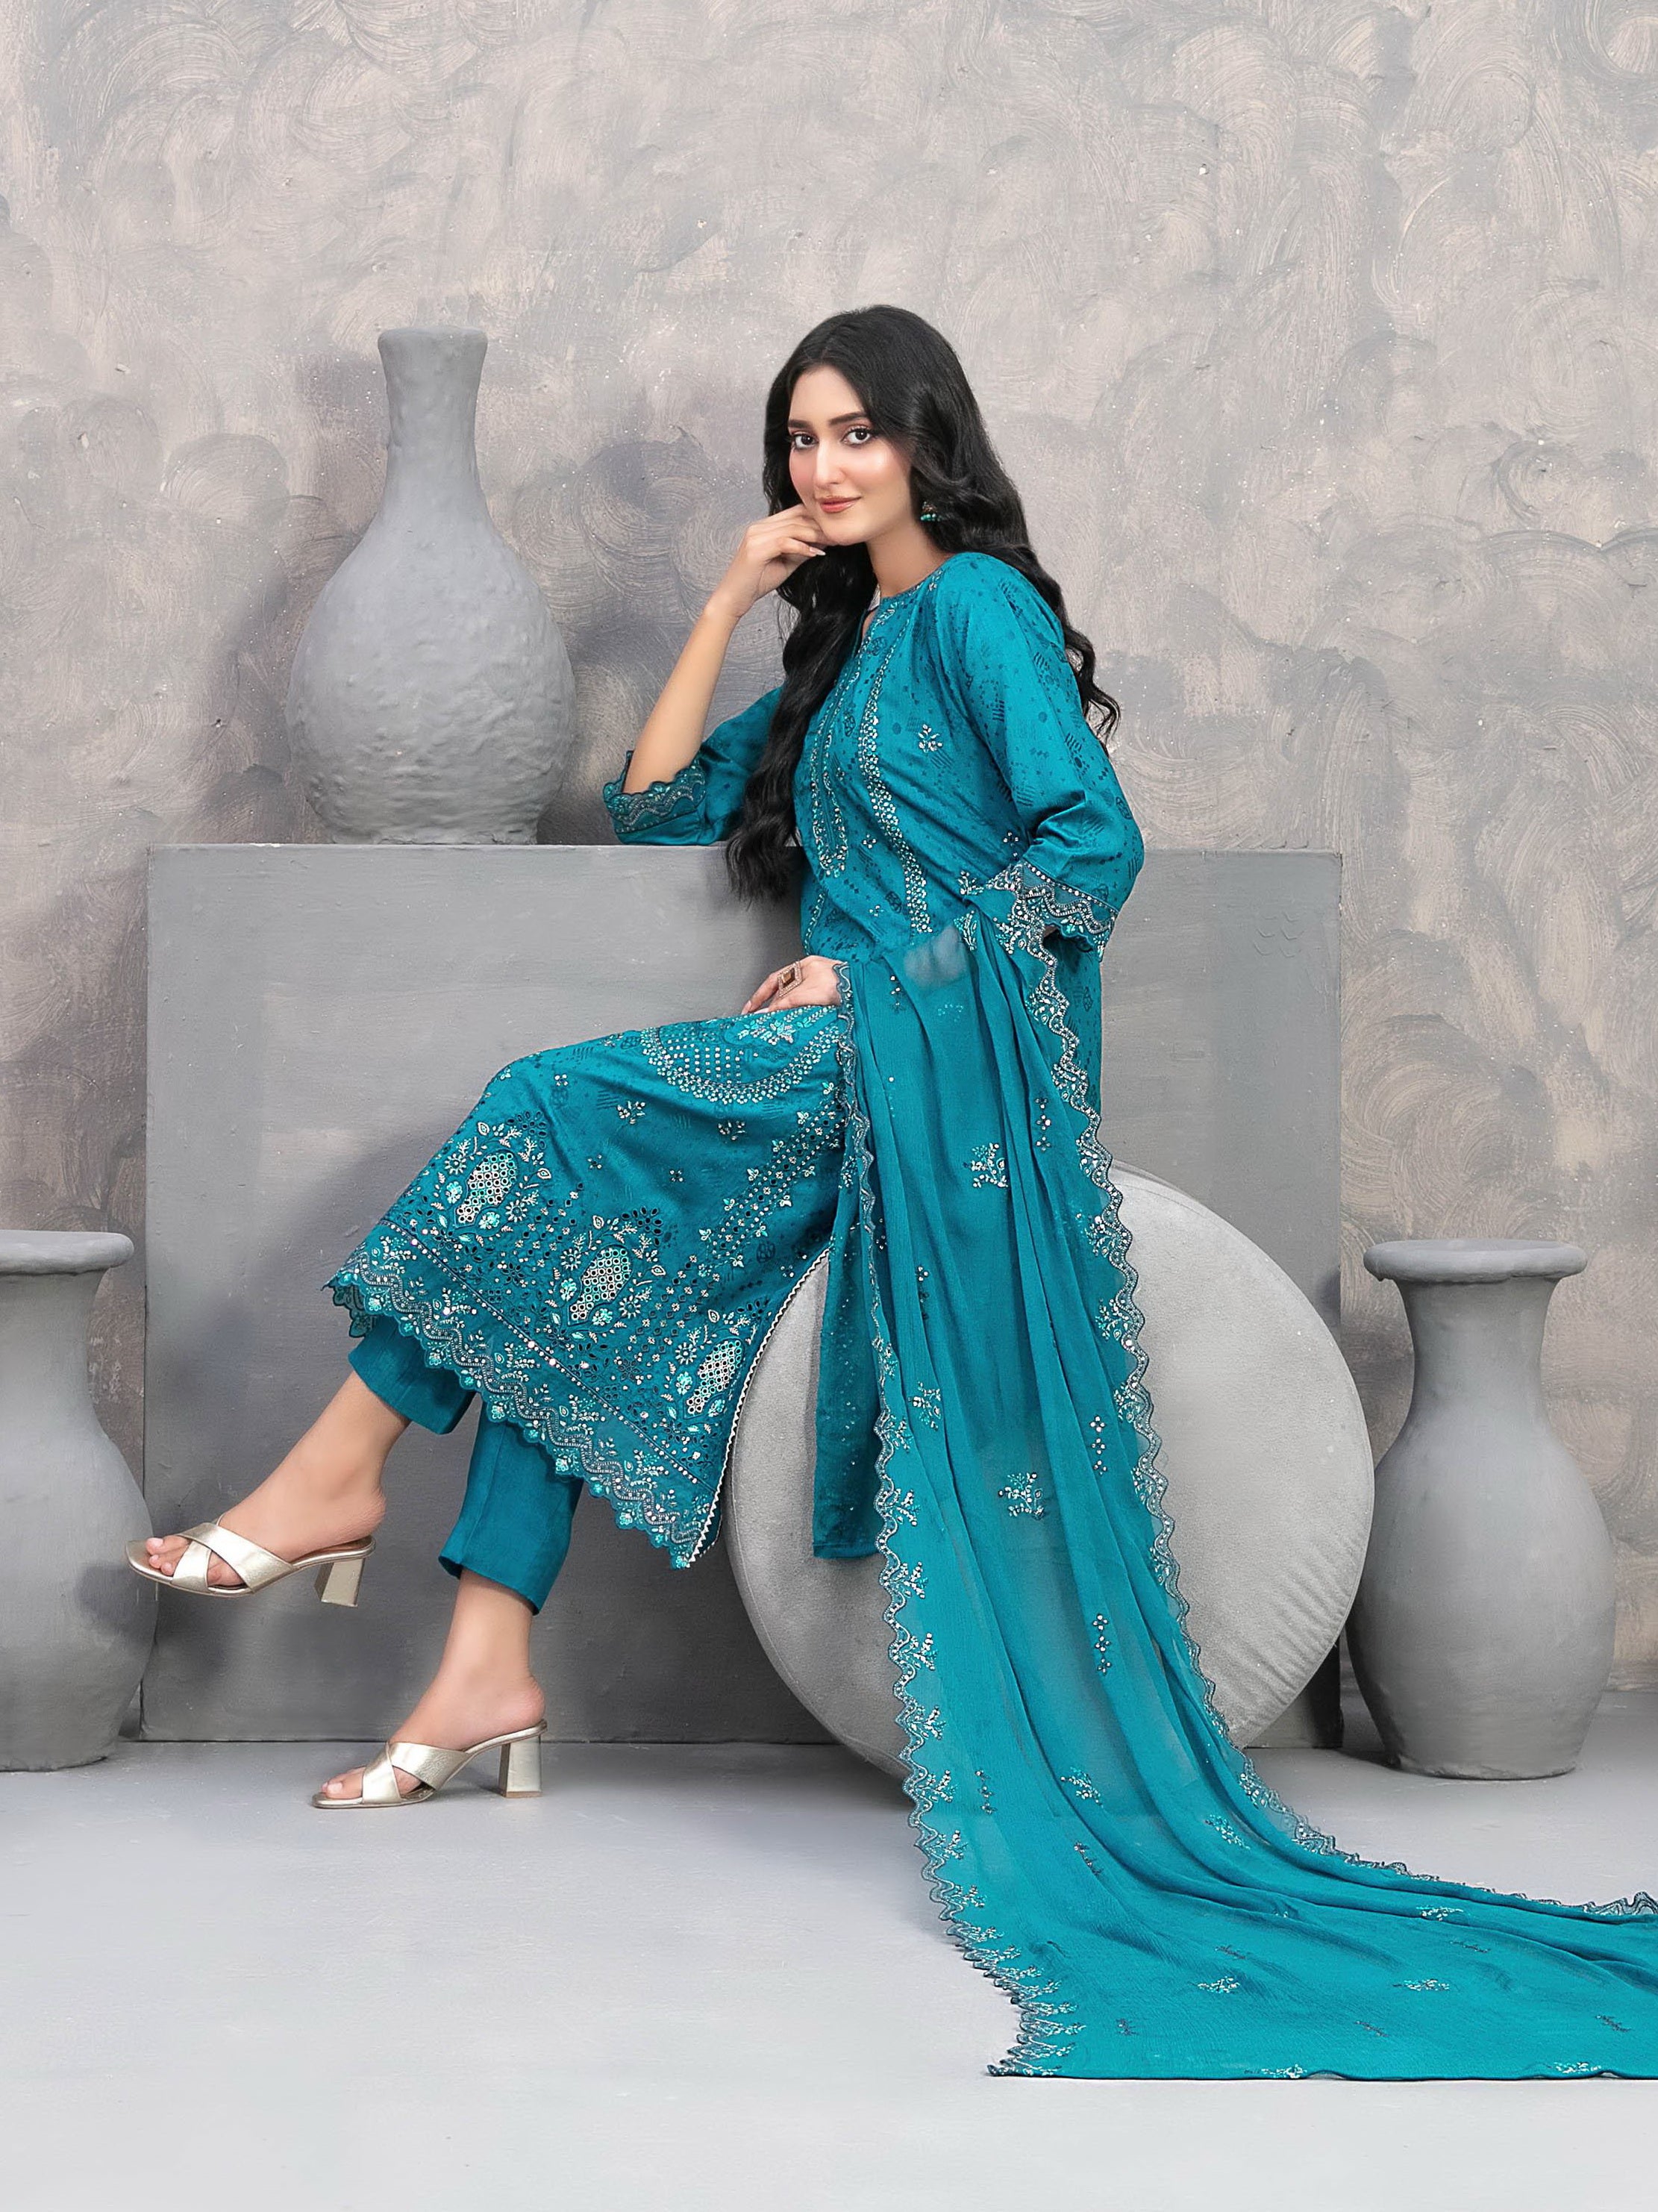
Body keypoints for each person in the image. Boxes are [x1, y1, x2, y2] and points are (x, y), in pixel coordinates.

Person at [128, 306, 1658, 2078]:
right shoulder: (845, 652)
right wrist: (727, 594)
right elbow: (650, 809)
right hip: (865, 1059)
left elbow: (1092, 845)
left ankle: (335, 1483)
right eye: (800, 438)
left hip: (939, 1061)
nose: (825, 465)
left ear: (931, 442)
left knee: (550, 1107)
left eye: (856, 431)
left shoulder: (981, 612)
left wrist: (880, 980)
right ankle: (481, 1663)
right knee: (581, 1244)